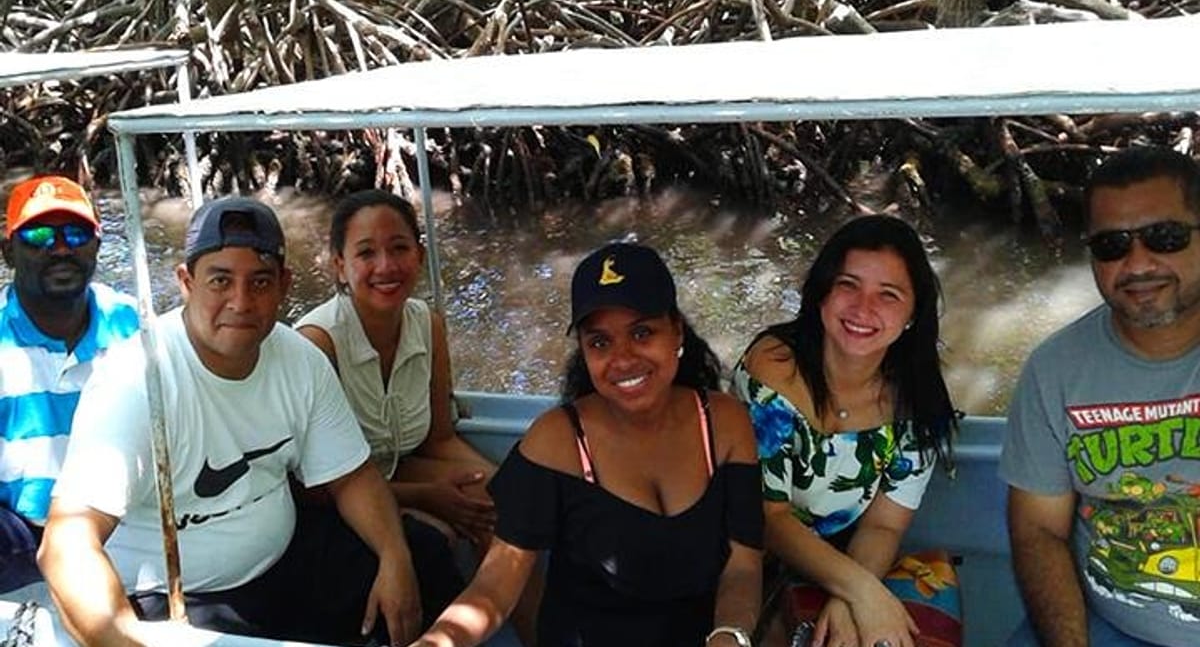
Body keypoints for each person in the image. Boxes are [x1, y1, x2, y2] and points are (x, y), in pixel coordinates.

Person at [38, 197, 423, 647]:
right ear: (186, 283)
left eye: (260, 282)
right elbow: (67, 543)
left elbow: (352, 478)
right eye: (220, 280)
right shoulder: (135, 380)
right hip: (175, 597)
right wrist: (125, 639)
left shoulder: (301, 360)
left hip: (284, 565)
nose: (241, 302)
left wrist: (395, 558)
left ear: (284, 285)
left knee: (425, 556)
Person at [409, 241, 763, 647]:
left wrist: (730, 635)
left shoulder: (723, 423)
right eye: (599, 342)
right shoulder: (556, 441)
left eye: (642, 333)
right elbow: (494, 589)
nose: (623, 359)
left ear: (677, 331)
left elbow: (743, 565)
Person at [1000, 145, 1200, 647]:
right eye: (1112, 245)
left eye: (1165, 237)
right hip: (1107, 627)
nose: (1138, 263)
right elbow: (1039, 532)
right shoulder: (1054, 370)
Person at [732, 214, 956, 647]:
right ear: (822, 294)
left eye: (888, 294)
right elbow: (769, 517)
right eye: (848, 285)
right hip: (746, 556)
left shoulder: (918, 402)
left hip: (843, 561)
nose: (862, 308)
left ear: (913, 313)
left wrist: (848, 600)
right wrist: (861, 592)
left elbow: (884, 527)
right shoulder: (772, 368)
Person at [294, 190, 501, 628]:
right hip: (330, 501)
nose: (386, 266)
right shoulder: (317, 344)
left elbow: (439, 439)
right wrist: (425, 496)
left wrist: (506, 484)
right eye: (366, 253)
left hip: (396, 468)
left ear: (419, 255)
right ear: (339, 266)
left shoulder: (428, 325)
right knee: (434, 539)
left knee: (504, 504)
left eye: (399, 248)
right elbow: (310, 487)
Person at [0, 175, 139, 594]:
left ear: (96, 244)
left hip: (128, 524)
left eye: (76, 234)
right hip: (23, 536)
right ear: (8, 251)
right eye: (39, 236)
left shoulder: (138, 326)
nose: (61, 248)